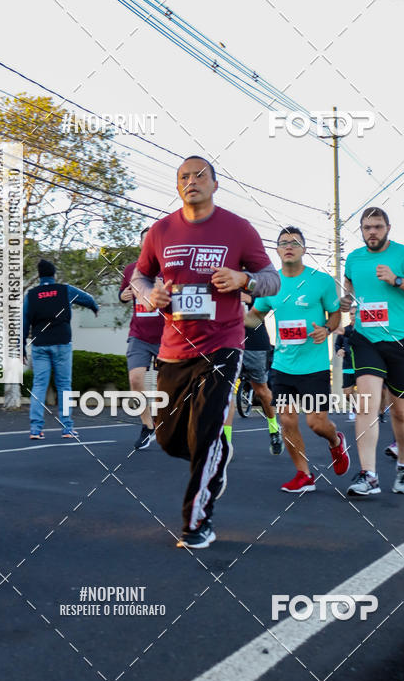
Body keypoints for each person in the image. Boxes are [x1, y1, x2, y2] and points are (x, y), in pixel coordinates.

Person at [131, 155, 280, 549]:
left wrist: (243, 278)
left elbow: (272, 279)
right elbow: (140, 276)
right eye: (184, 176)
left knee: (208, 431)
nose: (191, 181)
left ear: (215, 184)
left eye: (200, 175)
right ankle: (214, 453)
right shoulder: (160, 231)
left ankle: (196, 523)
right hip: (174, 348)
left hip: (223, 344)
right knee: (169, 437)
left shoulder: (238, 229)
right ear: (177, 186)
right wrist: (151, 295)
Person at [246, 227, 349, 493]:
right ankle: (303, 475)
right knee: (288, 422)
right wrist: (229, 320)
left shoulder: (321, 281)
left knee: (316, 423)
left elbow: (336, 315)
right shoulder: (271, 285)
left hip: (313, 367)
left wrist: (326, 329)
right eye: (283, 243)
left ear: (304, 249)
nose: (288, 246)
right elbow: (256, 316)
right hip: (282, 365)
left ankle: (336, 441)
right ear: (277, 250)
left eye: (294, 243)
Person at [341, 207, 404, 497]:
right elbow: (350, 287)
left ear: (388, 228)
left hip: (402, 341)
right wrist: (346, 302)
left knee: (402, 411)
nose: (372, 232)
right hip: (366, 339)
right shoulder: (354, 259)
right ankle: (369, 475)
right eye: (367, 227)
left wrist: (396, 280)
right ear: (361, 229)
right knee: (366, 404)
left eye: (378, 227)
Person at [23, 259, 99, 439]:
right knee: (64, 385)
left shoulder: (31, 295)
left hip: (40, 345)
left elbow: (25, 322)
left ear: (39, 276)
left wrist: (20, 348)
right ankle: (67, 428)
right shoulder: (64, 290)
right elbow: (87, 299)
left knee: (39, 385)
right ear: (54, 274)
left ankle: (35, 429)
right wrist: (94, 308)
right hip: (62, 343)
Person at [119, 227, 165, 450]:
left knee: (169, 386)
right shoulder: (130, 270)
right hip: (139, 335)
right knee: (136, 380)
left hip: (167, 337)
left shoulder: (169, 270)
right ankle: (148, 427)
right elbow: (123, 295)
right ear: (140, 245)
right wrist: (123, 295)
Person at [222, 290, 282, 455]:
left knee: (261, 390)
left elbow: (272, 301)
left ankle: (274, 430)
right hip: (229, 343)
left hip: (255, 344)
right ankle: (226, 444)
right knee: (227, 393)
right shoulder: (221, 278)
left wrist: (251, 298)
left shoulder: (256, 280)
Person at [335, 306, 357, 422]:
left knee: (367, 392)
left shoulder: (364, 330)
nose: (353, 316)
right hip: (348, 365)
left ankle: (371, 411)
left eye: (355, 313)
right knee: (348, 393)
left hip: (363, 365)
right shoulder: (344, 330)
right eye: (351, 314)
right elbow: (337, 344)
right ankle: (355, 407)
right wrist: (339, 350)